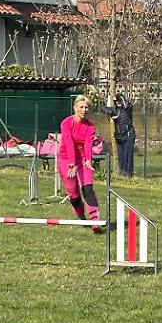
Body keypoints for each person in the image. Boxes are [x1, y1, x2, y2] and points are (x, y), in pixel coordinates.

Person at [58, 95, 101, 231]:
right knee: (73, 192)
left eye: (86, 107)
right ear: (75, 107)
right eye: (81, 107)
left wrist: (88, 160)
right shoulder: (66, 123)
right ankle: (81, 216)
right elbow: (69, 142)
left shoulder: (90, 126)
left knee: (88, 188)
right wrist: (71, 163)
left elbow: (88, 143)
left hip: (82, 160)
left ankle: (95, 220)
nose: (84, 110)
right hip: (66, 158)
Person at [102, 93, 136, 177]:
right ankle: (123, 173)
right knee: (121, 157)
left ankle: (128, 174)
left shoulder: (128, 109)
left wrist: (121, 96)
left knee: (128, 156)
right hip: (119, 136)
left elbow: (127, 106)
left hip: (128, 135)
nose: (118, 102)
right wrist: (106, 101)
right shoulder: (115, 111)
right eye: (117, 101)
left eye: (119, 101)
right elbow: (104, 109)